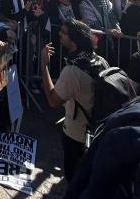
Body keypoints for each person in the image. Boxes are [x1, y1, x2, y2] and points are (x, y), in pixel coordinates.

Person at [40, 19, 109, 180]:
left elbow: (53, 100)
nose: (59, 34)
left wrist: (44, 66)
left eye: (63, 32)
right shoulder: (101, 61)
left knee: (75, 179)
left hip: (76, 135)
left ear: (75, 39)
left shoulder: (73, 71)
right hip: (97, 131)